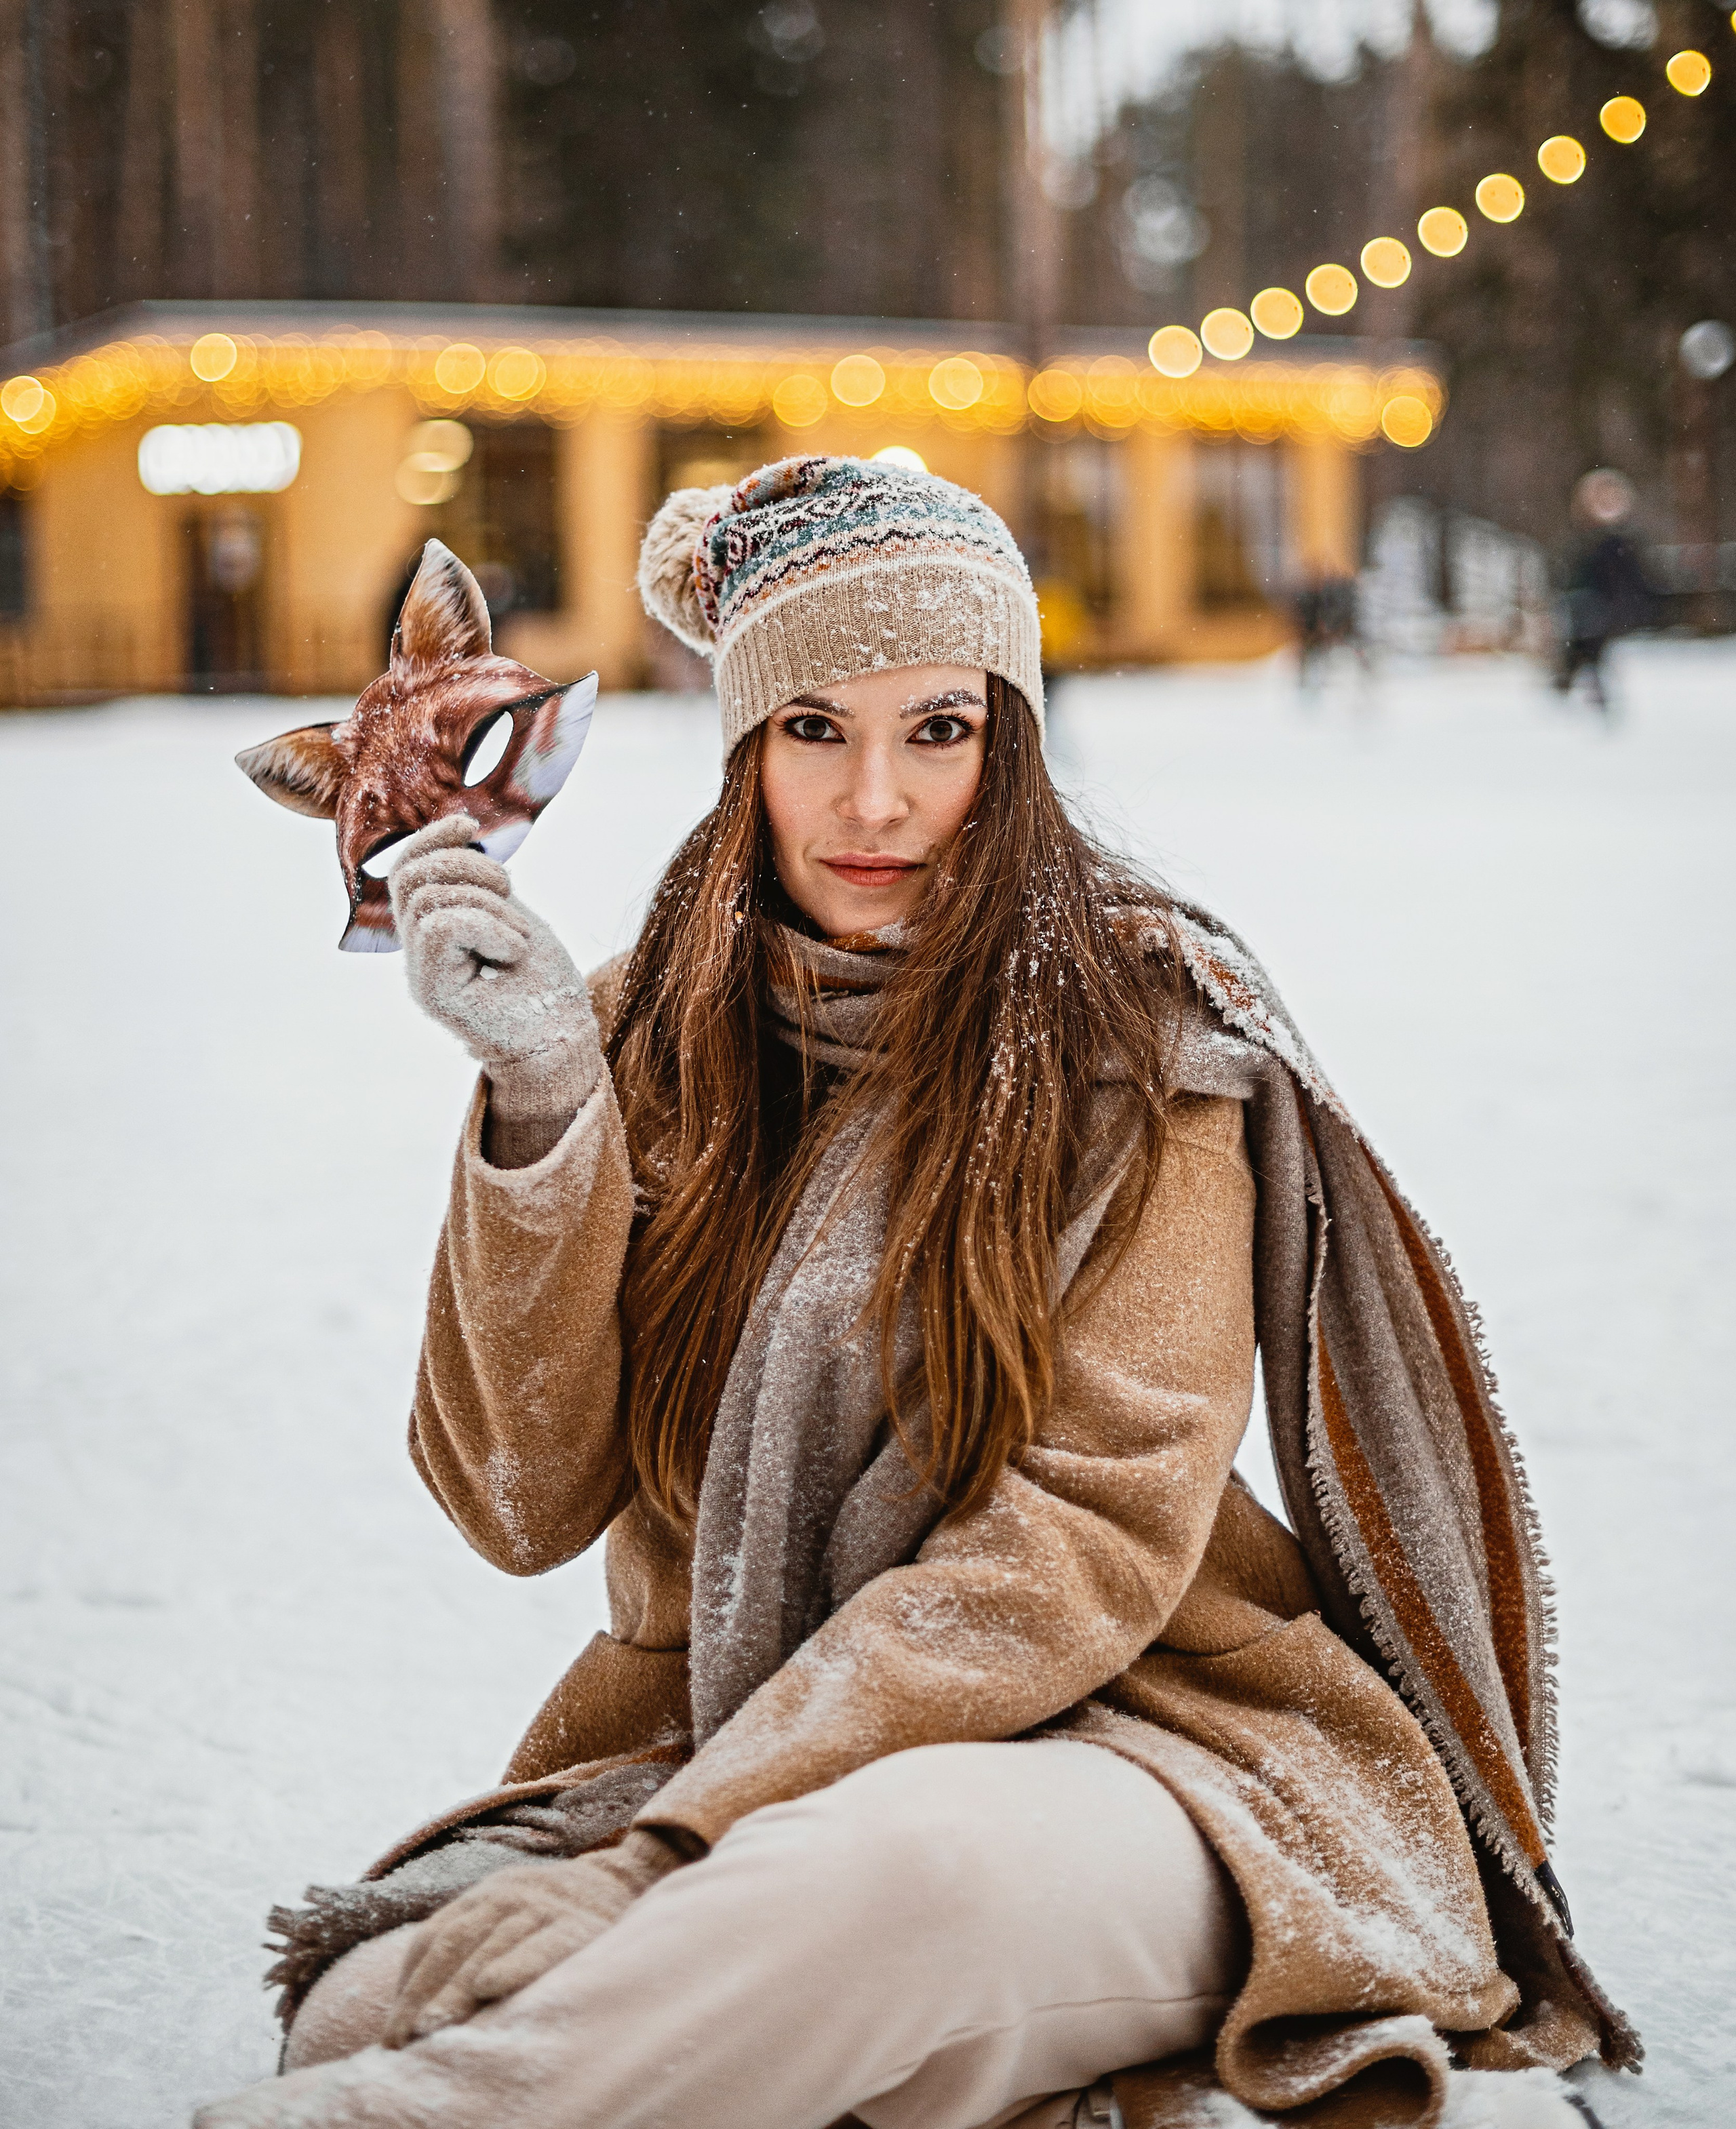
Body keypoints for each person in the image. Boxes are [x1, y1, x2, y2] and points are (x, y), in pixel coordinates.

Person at [197, 456, 1636, 2129]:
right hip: (733, 1740)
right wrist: (541, 1108)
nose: (874, 798)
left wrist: (670, 1849)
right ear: (744, 750)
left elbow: (1073, 1547)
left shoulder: (1141, 1042)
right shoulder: (641, 1031)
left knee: (897, 1873)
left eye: (935, 729)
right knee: (379, 2000)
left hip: (1143, 1744)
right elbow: (521, 1498)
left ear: (1006, 742)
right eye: (813, 729)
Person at [1554, 469, 1656, 713]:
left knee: (1588, 649)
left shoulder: (1617, 547)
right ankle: (1574, 682)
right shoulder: (1587, 545)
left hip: (1604, 607)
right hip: (1593, 606)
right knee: (1587, 648)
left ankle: (1572, 681)